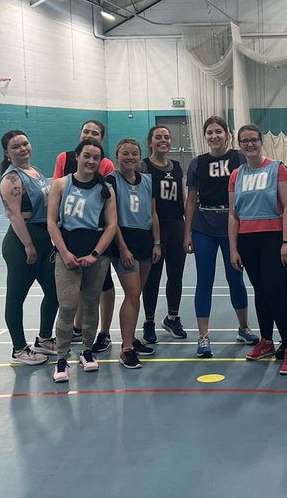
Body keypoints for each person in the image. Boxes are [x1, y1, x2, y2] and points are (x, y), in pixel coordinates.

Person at [184, 116, 257, 358]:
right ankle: (203, 336)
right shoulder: (197, 164)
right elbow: (192, 199)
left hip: (233, 227)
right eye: (210, 132)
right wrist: (188, 232)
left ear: (227, 134)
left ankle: (243, 328)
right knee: (204, 280)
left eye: (218, 131)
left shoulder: (238, 157)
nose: (214, 136)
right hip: (204, 227)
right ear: (205, 136)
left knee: (235, 277)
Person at [228, 123, 287, 375]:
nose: (250, 144)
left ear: (260, 141)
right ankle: (266, 341)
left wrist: (286, 241)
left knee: (275, 291)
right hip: (247, 240)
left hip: (273, 238)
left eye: (253, 140)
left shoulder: (277, 169)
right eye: (244, 141)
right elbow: (233, 215)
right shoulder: (236, 174)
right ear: (239, 145)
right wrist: (233, 248)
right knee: (260, 291)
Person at [47, 139, 118, 383]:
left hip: (95, 257)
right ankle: (61, 358)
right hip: (66, 254)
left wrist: (95, 255)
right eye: (86, 156)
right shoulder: (60, 185)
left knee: (90, 304)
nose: (90, 161)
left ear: (101, 161)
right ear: (77, 156)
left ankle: (87, 351)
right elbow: (51, 222)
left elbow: (111, 225)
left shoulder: (105, 189)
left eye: (96, 157)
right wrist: (64, 253)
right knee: (67, 306)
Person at [0, 130, 58, 365]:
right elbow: (14, 215)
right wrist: (28, 245)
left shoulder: (35, 172)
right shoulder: (10, 179)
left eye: (25, 144)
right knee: (16, 297)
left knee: (55, 292)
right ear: (7, 152)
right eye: (16, 147)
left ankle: (43, 339)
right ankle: (19, 349)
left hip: (44, 241)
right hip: (21, 244)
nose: (23, 149)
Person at [106, 138, 162, 370]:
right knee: (131, 293)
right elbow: (112, 218)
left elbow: (153, 213)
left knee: (136, 293)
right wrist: (122, 247)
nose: (130, 157)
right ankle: (126, 348)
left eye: (134, 153)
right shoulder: (111, 181)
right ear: (117, 156)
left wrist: (157, 242)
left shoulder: (147, 180)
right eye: (125, 153)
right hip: (124, 242)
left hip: (145, 242)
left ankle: (130, 338)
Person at [141, 124, 187, 344]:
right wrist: (155, 239)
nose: (163, 140)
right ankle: (149, 321)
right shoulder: (143, 167)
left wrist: (188, 231)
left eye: (167, 137)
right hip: (154, 229)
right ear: (150, 142)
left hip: (176, 225)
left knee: (176, 275)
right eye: (158, 137)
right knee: (152, 278)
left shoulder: (177, 166)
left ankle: (172, 318)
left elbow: (184, 199)